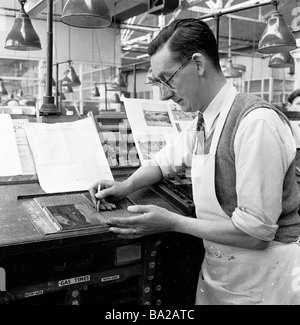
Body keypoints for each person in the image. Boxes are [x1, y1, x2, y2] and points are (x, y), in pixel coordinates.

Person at [89, 18, 300, 305]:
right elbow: (163, 162)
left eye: (168, 79)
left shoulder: (255, 123)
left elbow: (255, 233)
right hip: (224, 271)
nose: (164, 94)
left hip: (266, 277)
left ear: (198, 64)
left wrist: (172, 222)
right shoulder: (205, 120)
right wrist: (125, 185)